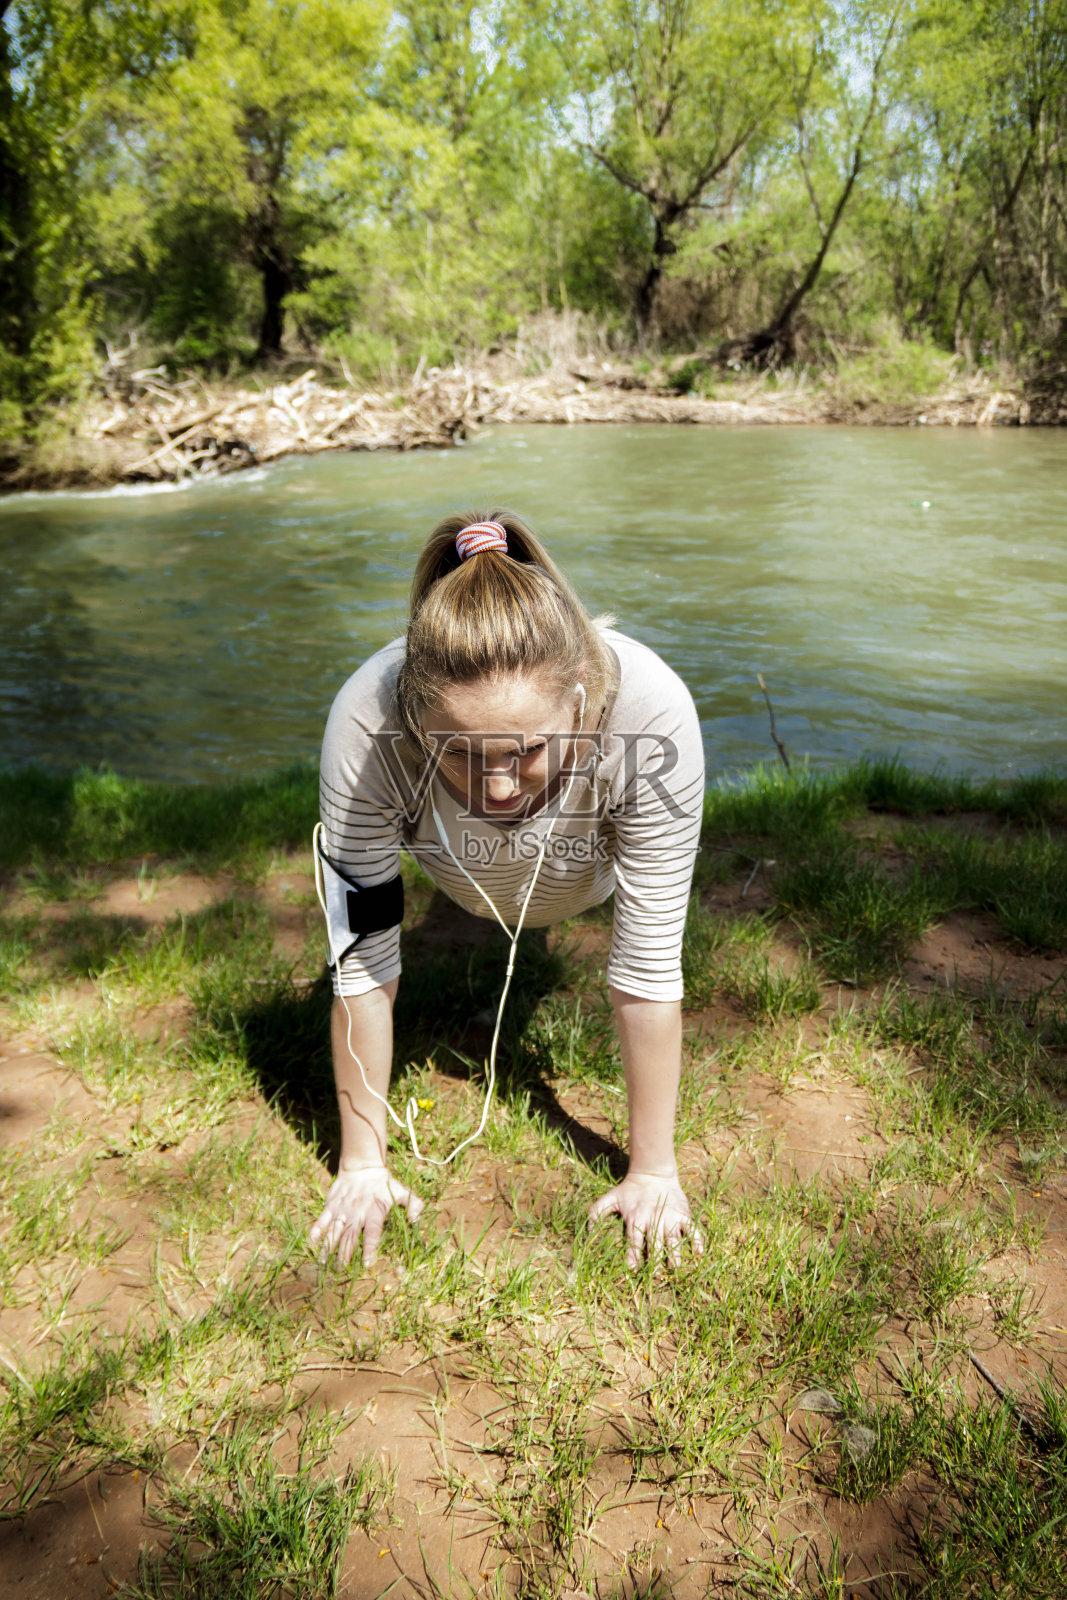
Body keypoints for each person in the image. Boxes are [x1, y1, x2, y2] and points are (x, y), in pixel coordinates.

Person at [310, 510, 705, 1270]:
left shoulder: (651, 711)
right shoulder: (366, 719)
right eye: (458, 755)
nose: (494, 787)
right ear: (416, 722)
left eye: (524, 752)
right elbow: (360, 955)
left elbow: (648, 965)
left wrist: (654, 1171)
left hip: (580, 877)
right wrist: (361, 1164)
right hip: (457, 878)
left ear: (583, 702)